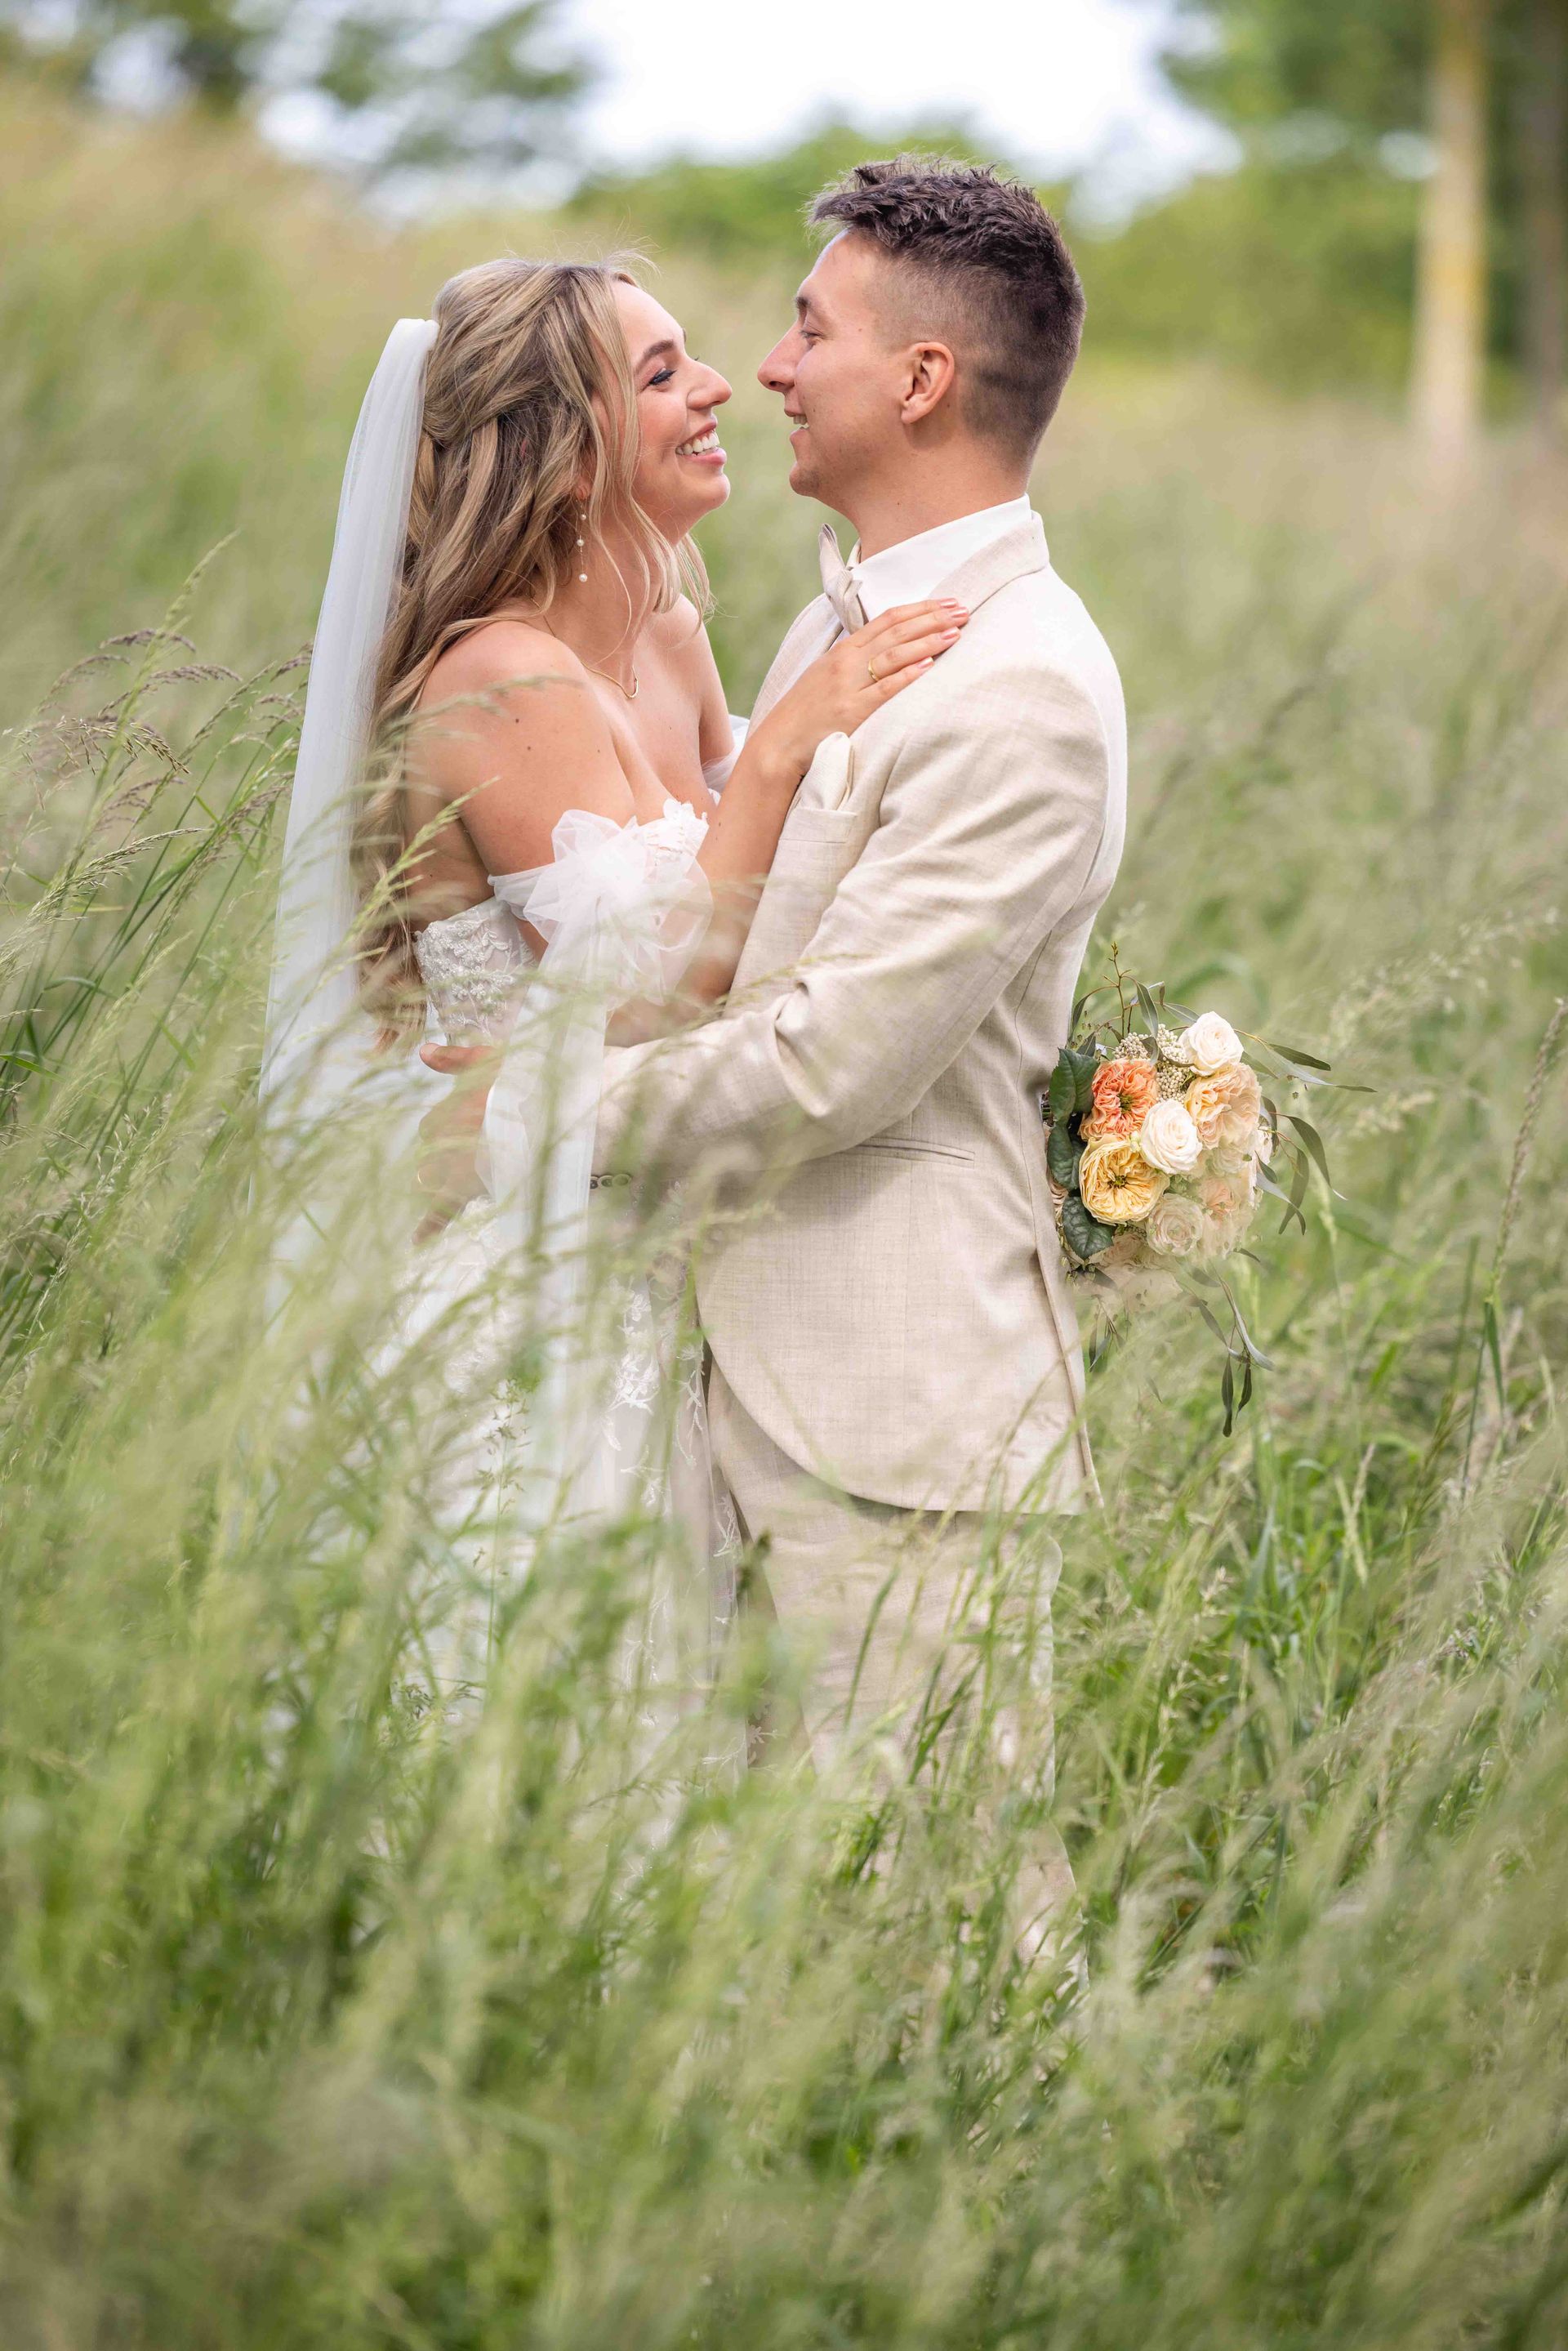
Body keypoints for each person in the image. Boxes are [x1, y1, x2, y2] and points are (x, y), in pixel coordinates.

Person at [427, 162, 1128, 1953]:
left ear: (920, 383)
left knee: (945, 1936)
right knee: (742, 1943)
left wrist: (527, 1122)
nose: (769, 362)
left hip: (892, 1422)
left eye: (811, 326)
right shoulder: (832, 620)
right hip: (715, 1381)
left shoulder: (1025, 684)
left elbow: (832, 1062)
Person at [261, 254, 964, 1702]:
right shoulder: (491, 683)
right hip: (528, 1290)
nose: (719, 388)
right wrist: (776, 752)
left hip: (661, 1261)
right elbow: (648, 996)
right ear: (561, 451)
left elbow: (776, 899)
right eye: (659, 374)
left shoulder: (668, 627)